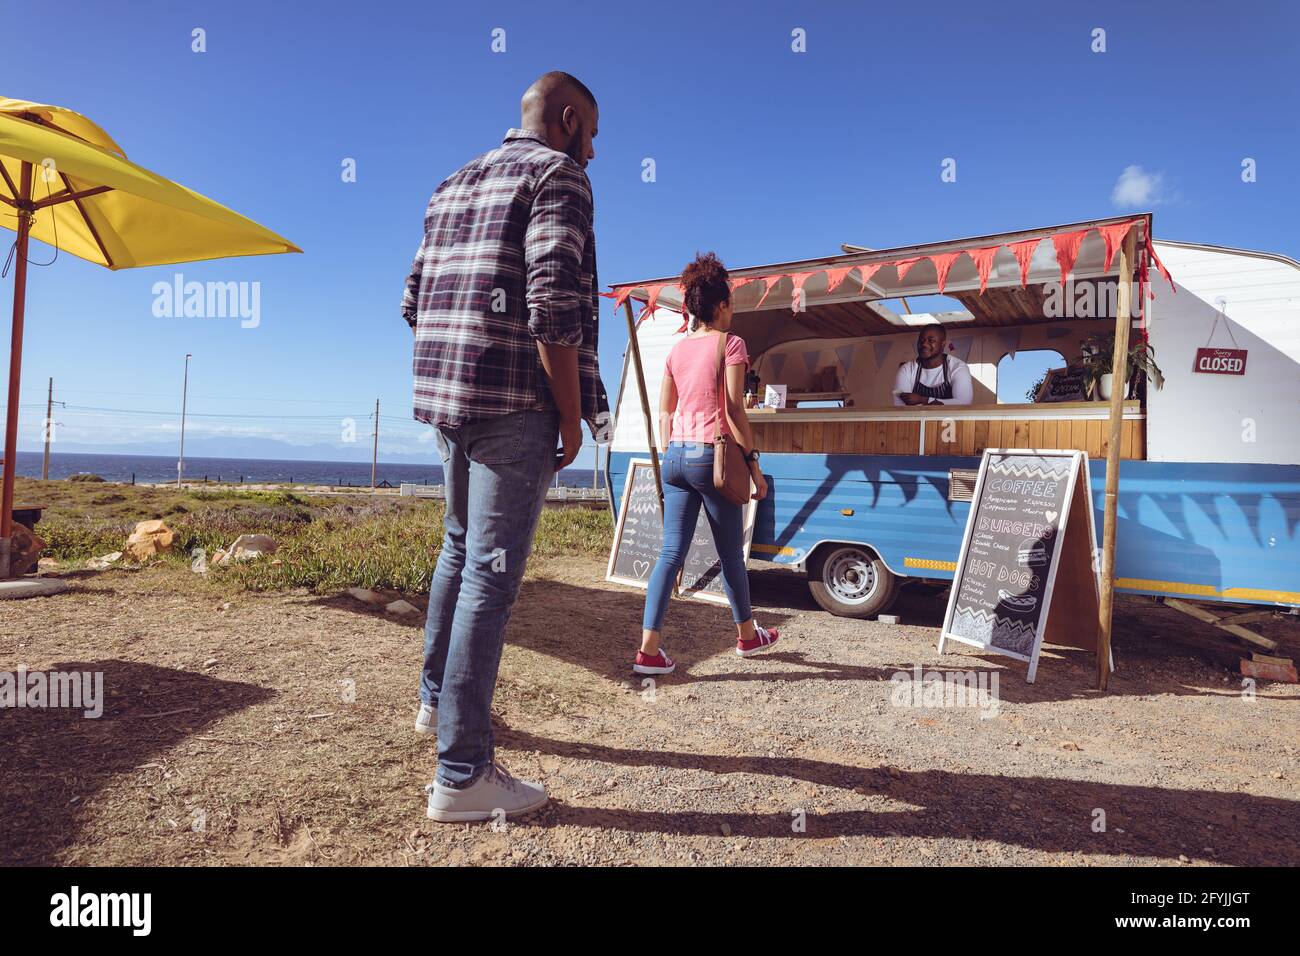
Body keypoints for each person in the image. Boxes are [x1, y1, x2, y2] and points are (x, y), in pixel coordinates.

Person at [401, 71, 608, 823]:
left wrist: (456, 365)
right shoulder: (561, 176)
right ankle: (462, 774)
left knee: (459, 553)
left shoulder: (451, 184)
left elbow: (412, 299)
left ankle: (435, 706)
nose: (597, 148)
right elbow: (553, 306)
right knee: (490, 576)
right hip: (515, 403)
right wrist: (569, 416)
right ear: (567, 118)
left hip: (447, 400)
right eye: (593, 131)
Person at [633, 252, 779, 677]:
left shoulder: (677, 351)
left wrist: (671, 450)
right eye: (731, 304)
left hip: (676, 455)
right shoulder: (731, 344)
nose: (733, 312)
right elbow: (734, 410)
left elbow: (664, 412)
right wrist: (754, 466)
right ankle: (748, 636)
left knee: (670, 553)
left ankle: (648, 651)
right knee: (731, 554)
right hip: (710, 457)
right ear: (718, 307)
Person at [893, 323, 973, 406]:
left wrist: (922, 399)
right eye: (921, 340)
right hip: (916, 419)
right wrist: (943, 403)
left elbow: (963, 403)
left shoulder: (958, 367)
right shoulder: (907, 369)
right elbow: (901, 406)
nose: (924, 344)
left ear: (942, 344)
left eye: (931, 340)